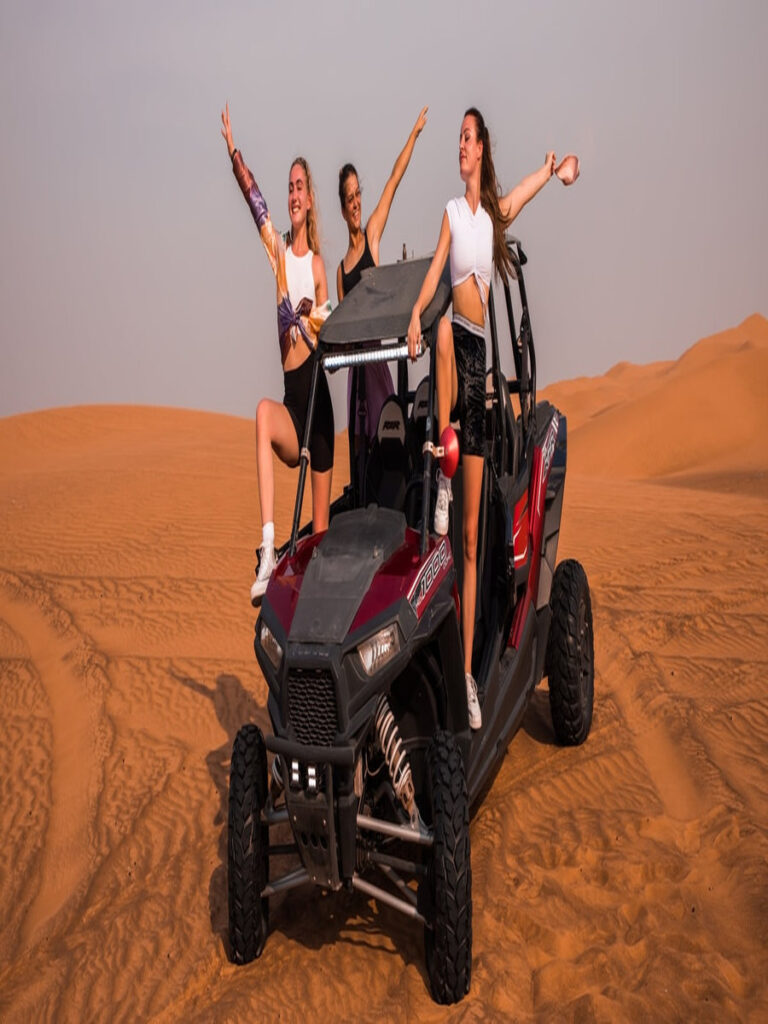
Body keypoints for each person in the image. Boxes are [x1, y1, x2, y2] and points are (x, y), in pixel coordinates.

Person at [407, 107, 562, 730]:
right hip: (453, 347)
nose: (461, 147)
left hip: (481, 375)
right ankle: (439, 472)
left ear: (482, 149)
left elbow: (517, 195)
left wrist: (549, 171)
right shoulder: (450, 213)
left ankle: (469, 678)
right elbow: (431, 273)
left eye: (468, 138)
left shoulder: (489, 215)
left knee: (469, 543)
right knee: (442, 325)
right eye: (459, 140)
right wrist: (414, 316)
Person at [221, 104, 334, 604]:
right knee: (263, 416)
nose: (291, 194)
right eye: (288, 186)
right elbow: (255, 204)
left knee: (321, 546)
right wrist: (233, 153)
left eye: (298, 187)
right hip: (294, 406)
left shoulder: (319, 264)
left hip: (321, 408)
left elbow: (331, 326)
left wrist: (314, 316)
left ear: (310, 200)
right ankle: (268, 548)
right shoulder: (280, 255)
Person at [338, 107, 428, 443]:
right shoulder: (341, 269)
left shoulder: (372, 235)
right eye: (350, 198)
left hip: (376, 360)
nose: (357, 203)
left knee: (384, 436)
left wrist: (414, 135)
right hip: (354, 370)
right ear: (343, 207)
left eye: (358, 194)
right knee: (358, 442)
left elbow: (393, 180)